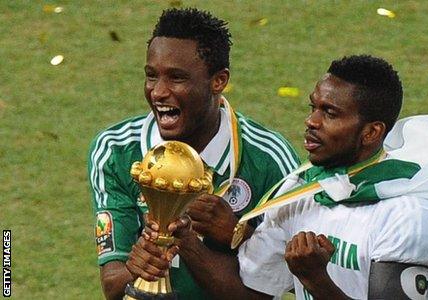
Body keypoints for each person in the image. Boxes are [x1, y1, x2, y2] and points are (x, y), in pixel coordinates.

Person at [139, 54, 428, 299]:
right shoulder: (301, 192)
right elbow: (251, 292)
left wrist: (315, 280)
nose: (311, 122)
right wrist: (184, 239)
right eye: (313, 107)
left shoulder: (408, 215)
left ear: (372, 132)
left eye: (330, 113)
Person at [88, 8, 299, 299]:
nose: (159, 92)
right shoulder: (115, 150)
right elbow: (112, 286)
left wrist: (239, 236)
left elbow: (296, 278)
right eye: (151, 76)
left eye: (176, 78)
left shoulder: (269, 159)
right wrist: (136, 268)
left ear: (218, 81)